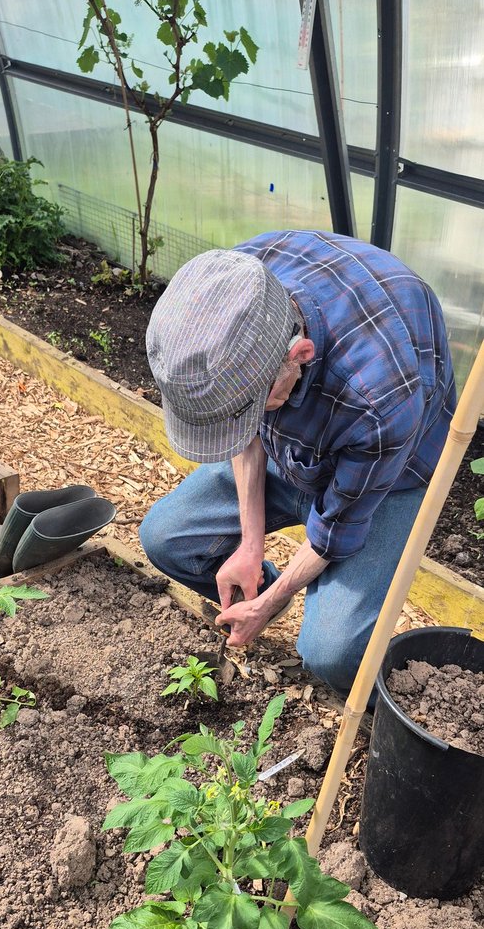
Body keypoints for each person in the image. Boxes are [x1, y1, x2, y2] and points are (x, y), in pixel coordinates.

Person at [139, 229, 456, 700]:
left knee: (331, 652)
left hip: (387, 476)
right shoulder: (242, 287)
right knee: (165, 537)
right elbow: (246, 433)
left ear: (299, 355)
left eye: (252, 406)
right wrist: (249, 545)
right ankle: (264, 596)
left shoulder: (379, 397)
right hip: (298, 446)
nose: (246, 419)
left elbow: (336, 529)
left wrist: (273, 599)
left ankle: (403, 701)